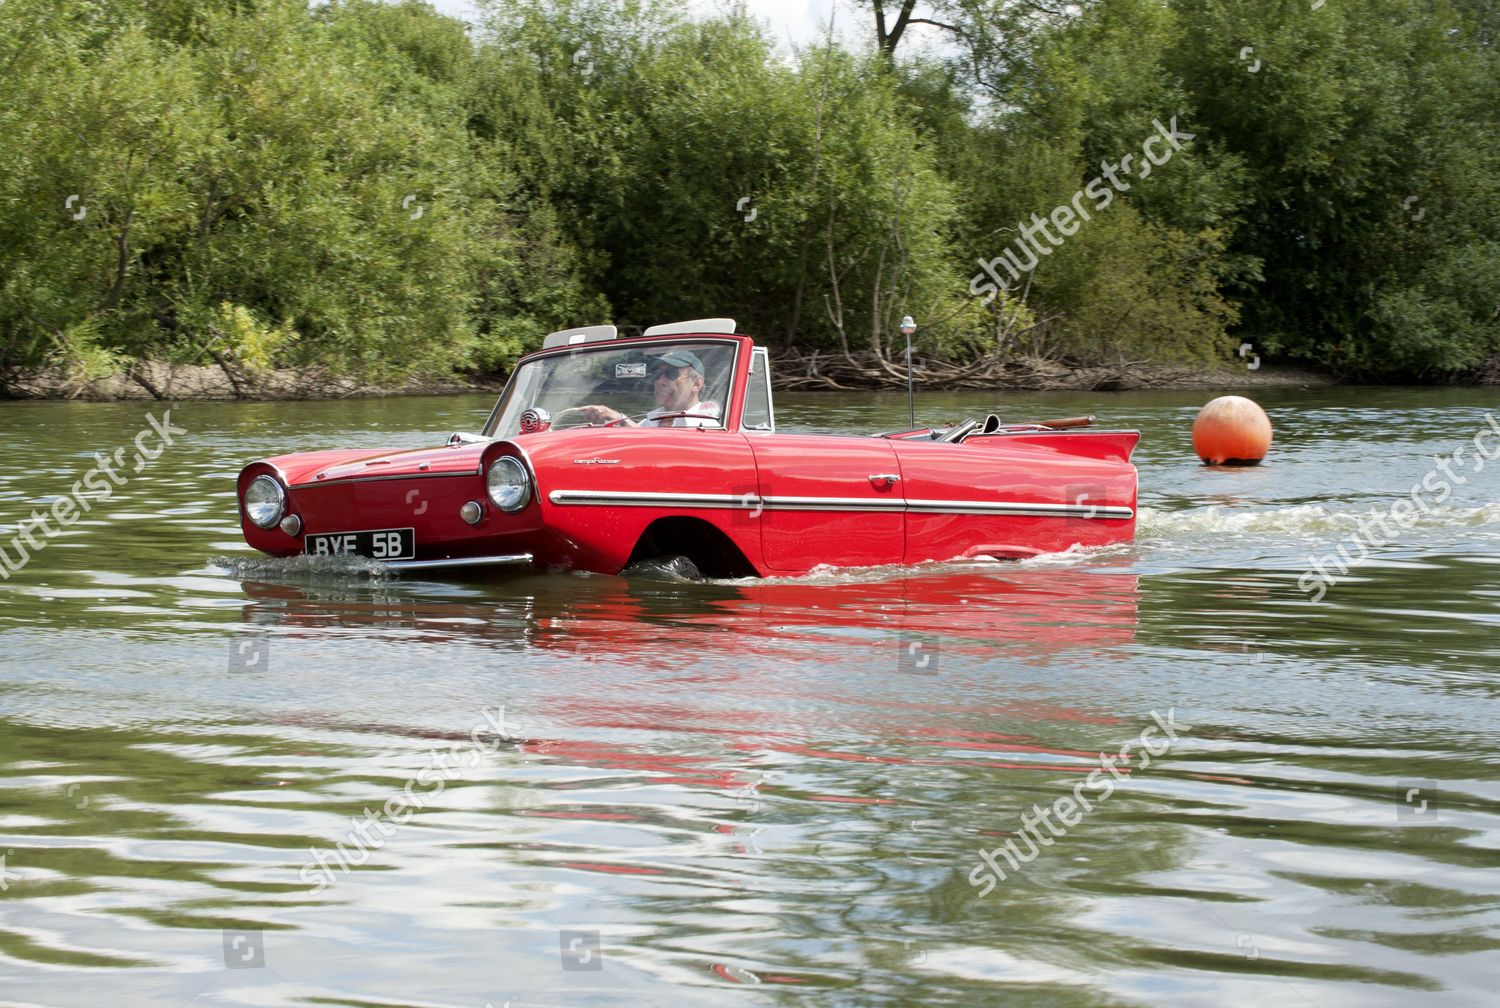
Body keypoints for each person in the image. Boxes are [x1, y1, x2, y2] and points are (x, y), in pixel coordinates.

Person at [576, 350, 720, 427]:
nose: (660, 381)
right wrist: (614, 420)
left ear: (697, 384)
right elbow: (640, 437)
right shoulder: (650, 421)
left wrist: (620, 420)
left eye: (671, 374)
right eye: (658, 374)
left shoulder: (708, 428)